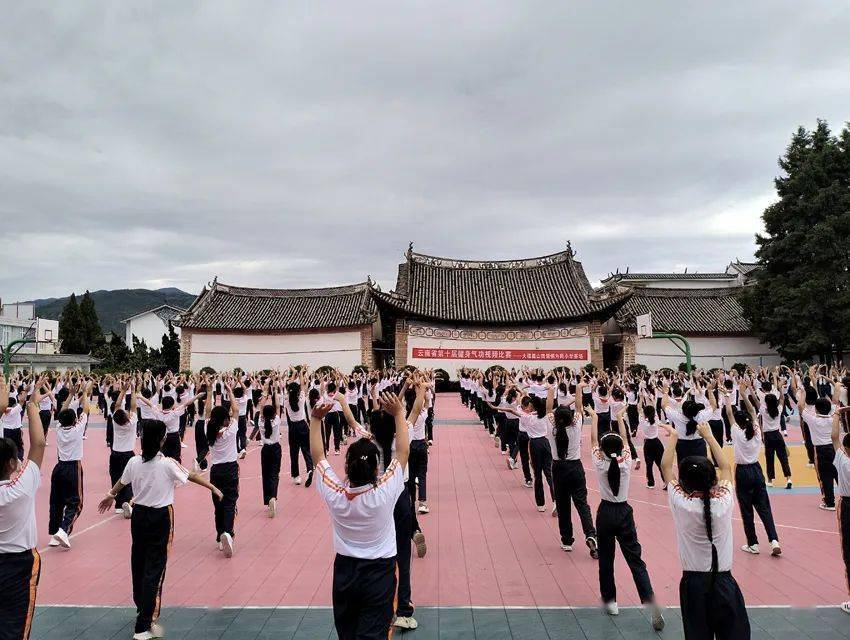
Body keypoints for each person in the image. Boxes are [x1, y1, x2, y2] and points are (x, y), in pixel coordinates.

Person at [97, 419, 222, 640]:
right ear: (162, 439)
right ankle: (144, 625)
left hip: (140, 517)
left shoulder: (134, 461)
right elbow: (190, 475)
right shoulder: (167, 463)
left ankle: (141, 607)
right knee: (155, 569)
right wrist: (211, 486)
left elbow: (122, 482)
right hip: (161, 517)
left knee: (139, 561)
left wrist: (111, 494)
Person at [311, 388, 410, 640]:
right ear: (377, 468)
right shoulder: (384, 493)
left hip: (345, 573)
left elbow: (318, 457)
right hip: (379, 574)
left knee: (348, 633)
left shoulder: (335, 494)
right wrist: (399, 413)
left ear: (346, 466)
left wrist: (315, 420)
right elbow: (401, 453)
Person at [661, 421, 750, 639]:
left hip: (694, 584)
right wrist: (709, 436)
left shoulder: (682, 502)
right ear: (713, 480)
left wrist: (673, 436)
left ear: (684, 482)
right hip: (723, 581)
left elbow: (665, 467)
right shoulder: (723, 501)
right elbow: (727, 468)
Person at [590, 404, 664, 630]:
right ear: (622, 448)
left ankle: (611, 601)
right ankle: (650, 603)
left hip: (605, 512)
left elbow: (594, 440)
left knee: (606, 559)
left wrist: (594, 417)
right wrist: (620, 418)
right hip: (624, 512)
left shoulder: (599, 461)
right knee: (636, 560)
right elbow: (623, 439)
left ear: (602, 449)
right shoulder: (627, 461)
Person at [0, 375, 46, 640]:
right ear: (10, 464)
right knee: (16, 624)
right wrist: (32, 406)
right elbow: (38, 445)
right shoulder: (21, 488)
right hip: (18, 563)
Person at [725, 384, 781, 556]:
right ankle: (773, 540)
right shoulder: (756, 429)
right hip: (756, 469)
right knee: (764, 507)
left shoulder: (736, 432)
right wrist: (745, 394)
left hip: (742, 472)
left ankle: (753, 543)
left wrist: (728, 397)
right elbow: (751, 411)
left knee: (746, 509)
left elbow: (729, 414)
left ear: (738, 422)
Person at [552, 385, 598, 558]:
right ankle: (590, 534)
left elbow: (549, 408)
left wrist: (551, 389)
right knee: (582, 504)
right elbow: (578, 406)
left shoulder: (552, 430)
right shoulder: (577, 425)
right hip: (575, 467)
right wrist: (579, 387)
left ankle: (567, 540)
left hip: (558, 467)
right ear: (571, 418)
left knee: (563, 506)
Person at [48, 380, 93, 549]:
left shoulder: (59, 427)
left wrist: (72, 394)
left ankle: (54, 533)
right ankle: (63, 530)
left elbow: (62, 411)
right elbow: (86, 410)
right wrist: (86, 394)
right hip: (73, 467)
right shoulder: (77, 429)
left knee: (56, 501)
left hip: (58, 468)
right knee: (76, 502)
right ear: (75, 419)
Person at [200, 381, 240, 557]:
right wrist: (230, 392)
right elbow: (236, 410)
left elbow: (207, 411)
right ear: (225, 419)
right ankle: (228, 533)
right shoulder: (231, 430)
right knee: (230, 502)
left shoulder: (208, 429)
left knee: (218, 504)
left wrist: (210, 391)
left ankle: (219, 535)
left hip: (215, 471)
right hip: (230, 469)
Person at [830, 404, 850, 614]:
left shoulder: (843, 459)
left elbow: (835, 436)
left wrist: (837, 413)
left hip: (847, 506)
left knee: (849, 553)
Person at [111, 379, 139, 519]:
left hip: (115, 453)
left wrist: (123, 390)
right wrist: (133, 391)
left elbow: (117, 405)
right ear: (127, 417)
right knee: (128, 478)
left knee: (115, 477)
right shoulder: (132, 423)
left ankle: (118, 505)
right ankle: (127, 502)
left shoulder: (115, 421)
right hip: (128, 454)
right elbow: (133, 406)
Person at [257, 382, 282, 518]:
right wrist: (276, 389)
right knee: (274, 474)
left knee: (265, 474)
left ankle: (268, 499)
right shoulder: (276, 420)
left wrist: (265, 390)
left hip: (265, 449)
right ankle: (273, 496)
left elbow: (261, 407)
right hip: (276, 449)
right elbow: (277, 406)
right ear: (273, 414)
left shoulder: (261, 422)